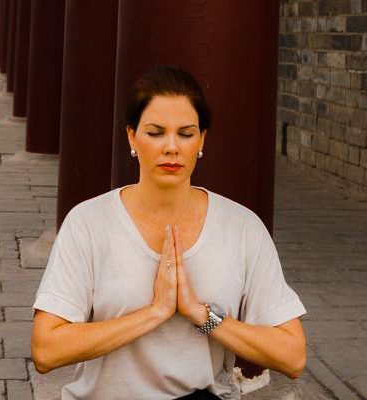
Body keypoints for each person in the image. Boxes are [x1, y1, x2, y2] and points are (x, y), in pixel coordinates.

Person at [30, 65, 307, 399]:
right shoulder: (88, 222)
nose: (172, 147)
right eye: (156, 132)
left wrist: (201, 315)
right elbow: (46, 349)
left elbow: (292, 356)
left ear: (202, 139)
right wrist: (155, 313)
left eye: (186, 134)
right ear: (132, 136)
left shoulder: (242, 227)